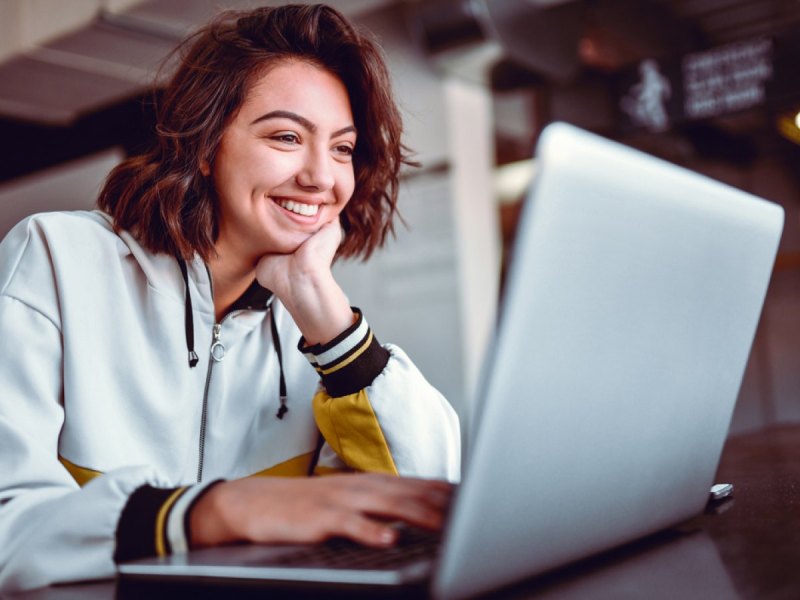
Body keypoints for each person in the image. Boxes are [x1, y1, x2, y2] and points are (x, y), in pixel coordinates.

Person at [0, 3, 460, 592]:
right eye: (287, 136)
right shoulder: (56, 257)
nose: (322, 177)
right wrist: (211, 512)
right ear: (205, 142)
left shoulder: (317, 330)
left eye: (343, 148)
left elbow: (425, 507)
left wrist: (322, 309)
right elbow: (10, 524)